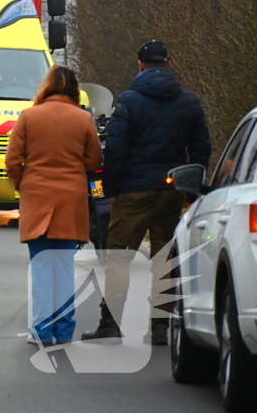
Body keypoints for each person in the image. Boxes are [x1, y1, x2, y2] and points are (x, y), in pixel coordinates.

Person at [82, 40, 211, 345]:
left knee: (119, 256)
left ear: (140, 65)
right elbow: (201, 149)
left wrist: (111, 189)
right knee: (164, 258)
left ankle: (111, 321)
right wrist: (188, 185)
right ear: (169, 63)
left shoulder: (128, 101)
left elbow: (116, 149)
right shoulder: (189, 103)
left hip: (133, 191)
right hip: (171, 189)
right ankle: (161, 327)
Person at [5, 66, 103, 346]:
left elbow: (13, 160)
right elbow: (94, 160)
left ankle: (41, 330)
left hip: (37, 197)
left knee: (41, 266)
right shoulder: (83, 118)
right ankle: (64, 331)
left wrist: (23, 185)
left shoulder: (29, 116)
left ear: (46, 87)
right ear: (74, 89)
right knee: (63, 267)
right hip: (71, 200)